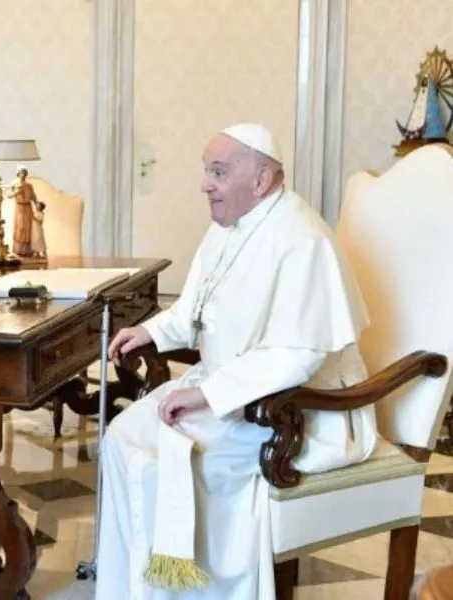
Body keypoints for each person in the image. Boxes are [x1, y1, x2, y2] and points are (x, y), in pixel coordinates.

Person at [96, 123, 378, 599]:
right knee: (122, 437)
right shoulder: (227, 228)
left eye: (219, 172)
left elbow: (297, 356)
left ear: (262, 179)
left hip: (301, 409)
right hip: (231, 389)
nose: (205, 184)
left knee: (185, 462)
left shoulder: (301, 239)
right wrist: (152, 330)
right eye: (207, 171)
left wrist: (205, 394)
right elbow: (196, 309)